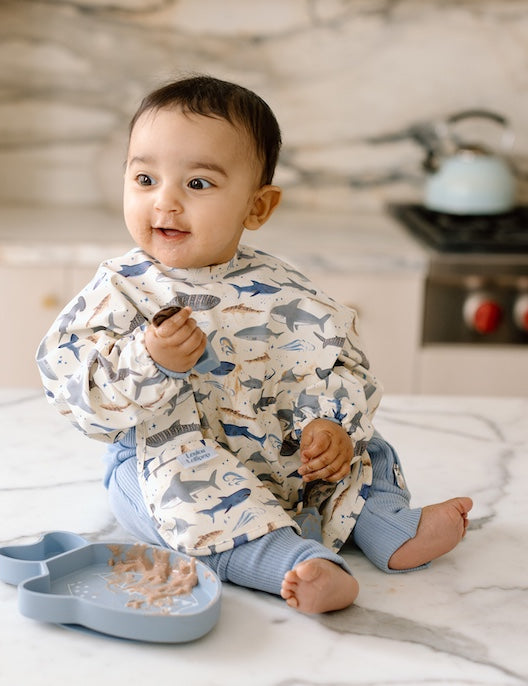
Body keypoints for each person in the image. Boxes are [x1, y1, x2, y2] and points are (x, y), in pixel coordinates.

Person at [37, 75, 472, 614]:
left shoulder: (284, 287)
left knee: (366, 448)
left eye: (198, 184)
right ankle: (290, 562)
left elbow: (335, 360)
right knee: (184, 494)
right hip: (166, 458)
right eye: (145, 178)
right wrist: (150, 361)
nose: (165, 201)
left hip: (280, 453)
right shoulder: (120, 290)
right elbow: (70, 380)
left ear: (257, 207)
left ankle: (390, 526)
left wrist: (328, 424)